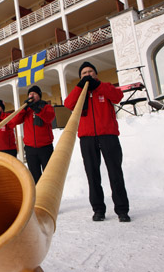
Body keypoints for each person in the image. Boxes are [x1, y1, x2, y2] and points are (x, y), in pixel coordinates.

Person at [64, 61, 131, 223]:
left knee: (115, 173)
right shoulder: (80, 93)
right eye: (84, 73)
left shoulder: (105, 87)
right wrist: (80, 87)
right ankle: (98, 209)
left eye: (90, 72)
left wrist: (98, 85)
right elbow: (68, 104)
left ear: (96, 74)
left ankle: (122, 210)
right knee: (92, 175)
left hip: (108, 135)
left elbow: (118, 96)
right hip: (87, 138)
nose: (87, 75)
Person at [7, 86, 55, 184]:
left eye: (34, 93)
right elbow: (15, 121)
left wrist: (37, 109)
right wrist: (24, 108)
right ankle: (39, 198)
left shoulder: (46, 107)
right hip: (30, 149)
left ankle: (50, 197)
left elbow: (49, 118)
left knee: (49, 176)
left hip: (45, 148)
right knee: (35, 176)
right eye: (30, 94)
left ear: (39, 96)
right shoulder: (26, 110)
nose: (32, 95)